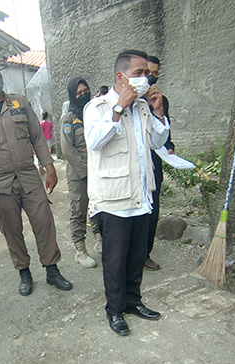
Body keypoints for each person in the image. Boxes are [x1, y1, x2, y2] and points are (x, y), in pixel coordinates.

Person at [0, 55, 72, 296]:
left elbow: (37, 138)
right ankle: (24, 272)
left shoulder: (19, 103)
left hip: (29, 176)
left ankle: (52, 269)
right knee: (11, 230)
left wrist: (49, 166)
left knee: (44, 222)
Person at [84, 50, 170, 336]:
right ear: (120, 77)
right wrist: (119, 108)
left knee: (136, 257)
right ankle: (114, 309)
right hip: (114, 200)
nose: (146, 79)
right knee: (115, 261)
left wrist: (158, 112)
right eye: (139, 73)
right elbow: (95, 141)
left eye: (148, 73)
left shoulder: (143, 108)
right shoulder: (97, 107)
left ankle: (134, 301)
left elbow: (159, 141)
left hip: (141, 197)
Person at [60, 76, 99, 268]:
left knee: (98, 206)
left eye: (86, 91)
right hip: (79, 174)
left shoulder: (93, 113)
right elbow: (67, 150)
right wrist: (85, 171)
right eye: (79, 93)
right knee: (79, 209)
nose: (84, 95)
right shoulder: (69, 119)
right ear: (72, 96)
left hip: (98, 170)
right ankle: (80, 250)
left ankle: (99, 239)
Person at [144, 55, 176, 271]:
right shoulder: (129, 102)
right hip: (134, 166)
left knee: (152, 211)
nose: (151, 77)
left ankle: (145, 253)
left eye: (156, 74)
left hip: (155, 162)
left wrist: (170, 145)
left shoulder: (160, 100)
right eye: (147, 72)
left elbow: (166, 129)